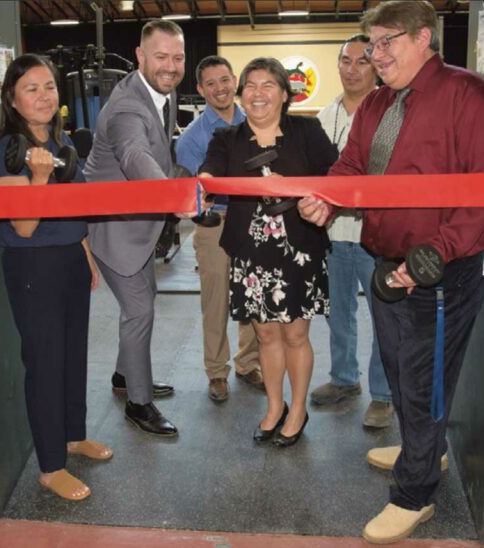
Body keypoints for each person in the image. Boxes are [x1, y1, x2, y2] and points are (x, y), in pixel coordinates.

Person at [298, 1, 484, 543]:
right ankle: (423, 447)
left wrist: (425, 262)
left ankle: (415, 494)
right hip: (383, 262)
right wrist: (327, 197)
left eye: (386, 41)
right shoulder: (377, 104)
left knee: (424, 383)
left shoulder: (470, 98)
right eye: (372, 44)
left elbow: (482, 201)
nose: (376, 54)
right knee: (399, 372)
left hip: (437, 275)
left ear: (423, 38)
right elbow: (351, 167)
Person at [0, 54, 113, 502]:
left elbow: (72, 210)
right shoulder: (8, 151)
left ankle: (73, 435)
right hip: (33, 265)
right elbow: (23, 226)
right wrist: (38, 179)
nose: (44, 96)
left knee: (73, 353)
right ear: (13, 100)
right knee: (45, 363)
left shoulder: (63, 145)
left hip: (70, 261)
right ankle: (50, 466)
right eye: (32, 89)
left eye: (50, 87)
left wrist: (86, 254)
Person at [199, 57, 339, 447]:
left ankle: (298, 409)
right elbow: (209, 171)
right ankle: (275, 406)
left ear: (283, 93)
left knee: (295, 334)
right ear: (241, 94)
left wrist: (292, 185)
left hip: (299, 250)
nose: (257, 94)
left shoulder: (307, 131)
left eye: (267, 85)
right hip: (251, 251)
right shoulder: (227, 138)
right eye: (251, 86)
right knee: (265, 335)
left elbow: (335, 178)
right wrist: (205, 185)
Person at [84, 20, 184, 437]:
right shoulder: (127, 107)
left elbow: (163, 150)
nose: (170, 66)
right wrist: (175, 196)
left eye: (178, 58)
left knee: (147, 298)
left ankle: (125, 378)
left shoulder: (163, 92)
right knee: (139, 310)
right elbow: (135, 154)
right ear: (141, 56)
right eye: (160, 57)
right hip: (112, 229)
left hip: (138, 224)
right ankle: (138, 405)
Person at [310, 34, 394, 429]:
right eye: (346, 60)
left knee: (385, 316)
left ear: (376, 65)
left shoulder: (391, 112)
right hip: (333, 233)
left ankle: (383, 394)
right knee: (338, 312)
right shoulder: (327, 116)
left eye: (362, 61)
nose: (352, 69)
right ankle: (344, 379)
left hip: (375, 234)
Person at [175, 55, 263, 402]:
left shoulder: (256, 121)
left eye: (224, 80)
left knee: (253, 295)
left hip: (254, 220)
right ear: (200, 89)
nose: (220, 88)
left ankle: (248, 362)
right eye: (210, 83)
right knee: (216, 301)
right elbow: (189, 192)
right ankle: (216, 371)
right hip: (215, 224)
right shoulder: (193, 139)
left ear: (234, 80)